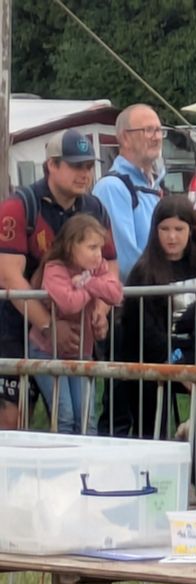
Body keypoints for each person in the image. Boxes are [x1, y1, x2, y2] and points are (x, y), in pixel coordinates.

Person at [0, 129, 116, 430]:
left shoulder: (96, 209)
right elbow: (9, 275)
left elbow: (110, 264)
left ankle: (79, 475)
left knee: (80, 417)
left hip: (78, 330)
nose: (85, 174)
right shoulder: (18, 206)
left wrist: (101, 309)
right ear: (52, 165)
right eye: (76, 166)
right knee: (12, 418)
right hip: (15, 327)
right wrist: (50, 326)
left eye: (89, 166)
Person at [122, 195, 196, 495]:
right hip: (147, 358)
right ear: (155, 231)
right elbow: (146, 329)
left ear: (190, 231)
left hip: (188, 351)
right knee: (151, 415)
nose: (172, 237)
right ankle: (150, 481)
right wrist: (175, 366)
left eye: (179, 229)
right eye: (165, 229)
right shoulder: (143, 273)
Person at [93, 103, 165, 436]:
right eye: (147, 130)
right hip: (126, 314)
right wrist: (171, 277)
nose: (156, 136)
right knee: (123, 406)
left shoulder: (154, 186)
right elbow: (126, 256)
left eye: (158, 129)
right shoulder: (113, 188)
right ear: (124, 138)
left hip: (151, 311)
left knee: (153, 401)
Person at [30, 215, 123, 433]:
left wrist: (87, 282)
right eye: (92, 247)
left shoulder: (95, 269)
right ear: (72, 246)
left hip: (81, 350)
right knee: (65, 415)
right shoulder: (54, 268)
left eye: (100, 248)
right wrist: (92, 290)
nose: (99, 254)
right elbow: (69, 303)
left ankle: (89, 464)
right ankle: (66, 464)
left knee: (86, 417)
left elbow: (116, 293)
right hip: (47, 351)